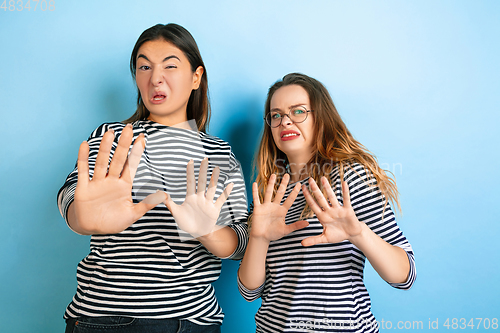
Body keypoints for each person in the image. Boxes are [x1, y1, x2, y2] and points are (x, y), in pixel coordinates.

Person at [58, 23, 248, 333]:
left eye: (170, 66)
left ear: (196, 77)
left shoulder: (219, 153)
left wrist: (207, 232)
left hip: (195, 322)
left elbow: (240, 241)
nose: (154, 78)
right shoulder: (112, 137)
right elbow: (72, 199)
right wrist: (84, 217)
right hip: (109, 320)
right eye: (144, 66)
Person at [237, 73, 416, 332]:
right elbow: (249, 291)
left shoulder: (350, 177)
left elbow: (405, 275)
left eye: (297, 111)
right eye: (275, 115)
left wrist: (358, 233)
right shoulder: (270, 192)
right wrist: (259, 239)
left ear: (321, 118)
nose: (284, 121)